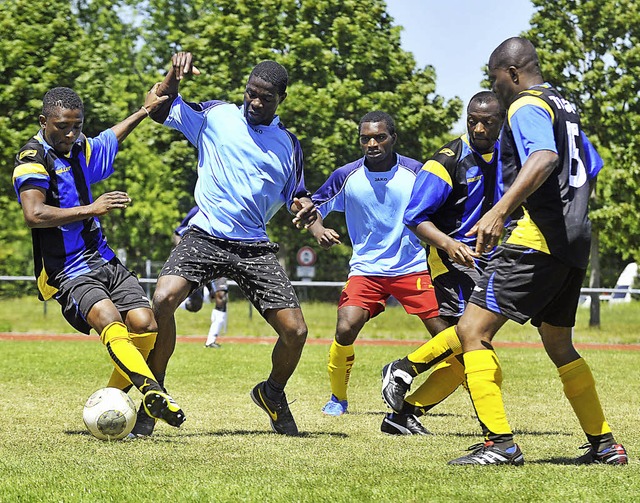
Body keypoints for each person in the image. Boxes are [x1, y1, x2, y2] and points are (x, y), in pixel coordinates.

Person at [382, 37, 627, 466]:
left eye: (495, 79)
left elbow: (545, 158)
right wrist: (571, 213)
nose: (494, 89)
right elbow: (590, 165)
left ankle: (500, 444)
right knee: (558, 342)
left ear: (511, 73)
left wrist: (500, 210)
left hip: (539, 238)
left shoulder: (525, 104)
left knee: (472, 330)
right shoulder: (564, 105)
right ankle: (605, 445)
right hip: (575, 238)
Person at [132, 52, 317, 438]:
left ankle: (272, 393)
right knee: (163, 299)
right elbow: (157, 107)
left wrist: (307, 215)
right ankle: (155, 391)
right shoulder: (216, 116)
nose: (255, 102)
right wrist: (174, 76)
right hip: (205, 235)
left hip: (253, 246)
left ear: (281, 98)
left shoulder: (289, 145)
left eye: (265, 97)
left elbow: (296, 195)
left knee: (296, 332)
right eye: (251, 93)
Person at [12, 86, 185, 431]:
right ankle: (152, 390)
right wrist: (92, 208)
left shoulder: (80, 148)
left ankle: (111, 395)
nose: (71, 133)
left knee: (145, 324)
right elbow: (34, 213)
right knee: (109, 320)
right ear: (43, 121)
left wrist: (144, 110)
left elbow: (110, 137)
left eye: (77, 126)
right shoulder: (31, 158)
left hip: (102, 258)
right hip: (67, 269)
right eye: (62, 126)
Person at [307, 111, 448, 433]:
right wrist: (318, 231)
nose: (372, 143)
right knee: (346, 327)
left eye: (379, 137)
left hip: (412, 267)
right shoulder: (346, 175)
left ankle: (463, 385)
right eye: (365, 138)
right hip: (366, 270)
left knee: (447, 335)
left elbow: (444, 207)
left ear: (393, 138)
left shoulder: (417, 172)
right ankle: (338, 398)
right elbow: (312, 208)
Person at [380, 92, 504, 432]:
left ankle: (402, 414)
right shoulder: (446, 160)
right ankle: (402, 370)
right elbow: (415, 217)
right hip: (452, 261)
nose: (479, 128)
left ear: (501, 121)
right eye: (472, 121)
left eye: (487, 122)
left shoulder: (508, 157)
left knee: (464, 355)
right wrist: (450, 246)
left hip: (488, 260)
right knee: (477, 348)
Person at [173, 206, 229, 349]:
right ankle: (173, 302)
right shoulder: (198, 209)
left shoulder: (230, 206)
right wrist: (185, 253)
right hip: (197, 261)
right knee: (195, 305)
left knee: (221, 296)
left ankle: (211, 341)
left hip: (218, 261)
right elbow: (177, 233)